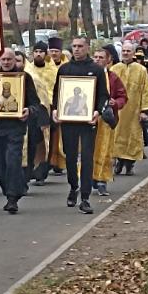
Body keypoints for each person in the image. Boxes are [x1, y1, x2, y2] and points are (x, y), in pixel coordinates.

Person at [51, 36, 109, 214]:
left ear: (87, 47)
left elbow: (103, 96)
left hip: (88, 121)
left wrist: (97, 112)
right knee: (69, 157)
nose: (76, 49)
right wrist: (55, 110)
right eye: (74, 46)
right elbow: (57, 94)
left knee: (86, 157)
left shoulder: (97, 70)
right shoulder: (65, 69)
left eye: (80, 46)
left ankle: (85, 197)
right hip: (68, 122)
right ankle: (73, 186)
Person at [0, 47, 40, 213]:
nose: (6, 62)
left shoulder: (24, 78)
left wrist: (28, 111)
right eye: (3, 59)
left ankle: (13, 198)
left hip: (16, 127)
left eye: (9, 59)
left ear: (15, 60)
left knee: (13, 162)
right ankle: (8, 191)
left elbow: (35, 103)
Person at [111, 40, 148, 176]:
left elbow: (146, 91)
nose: (125, 53)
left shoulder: (141, 70)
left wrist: (144, 111)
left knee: (133, 137)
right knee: (117, 137)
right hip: (118, 110)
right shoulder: (114, 69)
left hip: (134, 111)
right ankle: (119, 161)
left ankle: (129, 164)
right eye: (123, 51)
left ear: (133, 53)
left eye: (128, 51)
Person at [92, 46, 128, 196]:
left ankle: (102, 180)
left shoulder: (113, 78)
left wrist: (116, 103)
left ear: (108, 60)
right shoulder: (88, 76)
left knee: (105, 150)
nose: (98, 60)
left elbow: (123, 96)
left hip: (106, 121)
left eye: (101, 57)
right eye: (96, 57)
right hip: (89, 120)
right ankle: (87, 179)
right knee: (88, 151)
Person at [25, 41, 55, 185]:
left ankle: (42, 171)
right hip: (33, 110)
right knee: (33, 141)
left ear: (45, 53)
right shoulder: (28, 70)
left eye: (41, 51)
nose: (38, 54)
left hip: (49, 110)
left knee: (46, 142)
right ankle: (30, 169)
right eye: (36, 51)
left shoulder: (52, 70)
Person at [46, 36, 70, 174]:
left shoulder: (67, 66)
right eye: (51, 50)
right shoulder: (44, 66)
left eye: (56, 51)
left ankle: (61, 162)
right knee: (49, 136)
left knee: (62, 135)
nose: (53, 53)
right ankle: (49, 161)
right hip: (47, 105)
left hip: (64, 104)